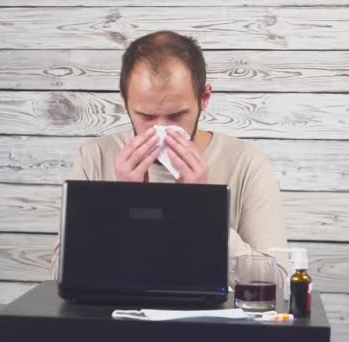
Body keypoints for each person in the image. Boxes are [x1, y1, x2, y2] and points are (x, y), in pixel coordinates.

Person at [50, 30, 288, 285]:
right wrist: (122, 204)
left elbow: (277, 281)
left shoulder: (247, 163)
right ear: (124, 99)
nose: (159, 131)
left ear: (204, 98)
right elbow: (61, 275)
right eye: (146, 116)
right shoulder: (95, 157)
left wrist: (201, 209)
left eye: (176, 116)